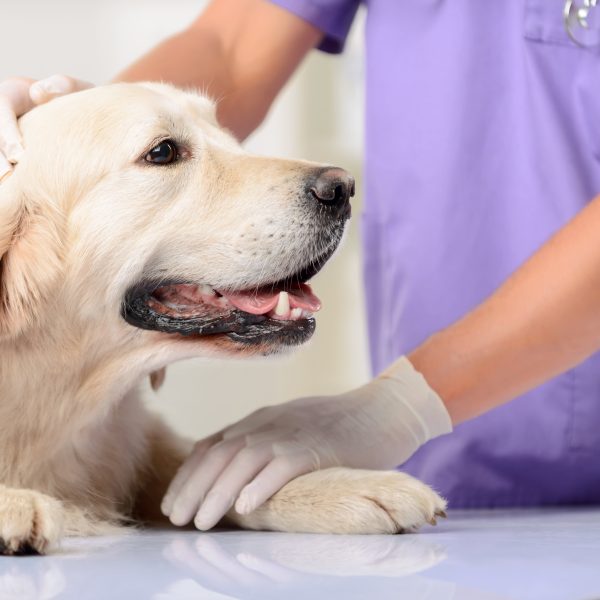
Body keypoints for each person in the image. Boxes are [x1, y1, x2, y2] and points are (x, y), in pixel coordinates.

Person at [2, 0, 600, 531]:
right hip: (463, 495)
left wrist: (401, 406)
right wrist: (59, 128)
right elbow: (231, 49)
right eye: (162, 154)